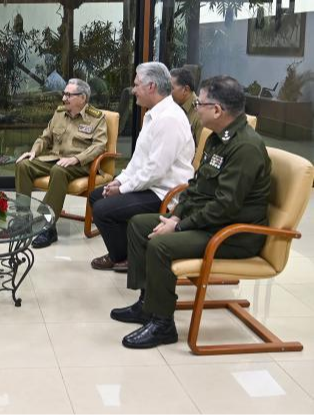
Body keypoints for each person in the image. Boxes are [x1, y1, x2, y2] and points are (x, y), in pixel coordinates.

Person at [114, 76, 271, 349]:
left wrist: (180, 226)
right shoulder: (216, 139)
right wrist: (176, 215)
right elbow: (196, 187)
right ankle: (147, 304)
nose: (195, 107)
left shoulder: (245, 147)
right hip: (210, 222)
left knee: (161, 245)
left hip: (233, 233)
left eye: (200, 103)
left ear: (218, 110)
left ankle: (163, 324)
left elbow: (226, 206)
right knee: (140, 225)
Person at [89, 62, 194, 272]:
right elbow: (138, 162)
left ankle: (127, 257)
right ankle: (125, 251)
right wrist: (119, 180)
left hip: (164, 192)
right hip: (150, 185)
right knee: (96, 196)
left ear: (151, 87)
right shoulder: (153, 115)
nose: (133, 90)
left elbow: (155, 170)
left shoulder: (169, 119)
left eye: (137, 84)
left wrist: (123, 189)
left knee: (102, 209)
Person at [15, 78, 108, 248]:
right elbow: (45, 137)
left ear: (83, 98)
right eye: (64, 94)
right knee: (23, 165)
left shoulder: (96, 118)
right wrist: (34, 151)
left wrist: (76, 159)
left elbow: (99, 146)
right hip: (55, 158)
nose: (64, 98)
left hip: (80, 164)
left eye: (69, 95)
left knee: (58, 171)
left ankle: (48, 227)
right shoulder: (59, 113)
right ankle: (22, 219)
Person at [170, 67, 203, 144]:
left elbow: (201, 150)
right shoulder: (174, 107)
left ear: (185, 90)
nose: (168, 92)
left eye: (171, 88)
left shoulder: (200, 112)